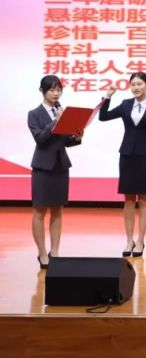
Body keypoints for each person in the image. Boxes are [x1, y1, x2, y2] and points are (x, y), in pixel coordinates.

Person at [99, 72, 146, 258]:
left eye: (139, 84)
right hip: (127, 155)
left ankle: (140, 240)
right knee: (128, 199)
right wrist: (107, 97)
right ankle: (129, 240)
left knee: (143, 199)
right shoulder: (126, 104)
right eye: (133, 84)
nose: (136, 88)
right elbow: (103, 116)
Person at [27, 75, 83, 269]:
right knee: (39, 210)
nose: (56, 93)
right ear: (42, 91)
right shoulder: (34, 114)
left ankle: (55, 252)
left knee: (57, 210)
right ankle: (42, 253)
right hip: (43, 167)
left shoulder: (63, 112)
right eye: (52, 90)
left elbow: (65, 141)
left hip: (60, 166)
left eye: (59, 90)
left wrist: (77, 136)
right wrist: (55, 122)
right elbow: (40, 139)